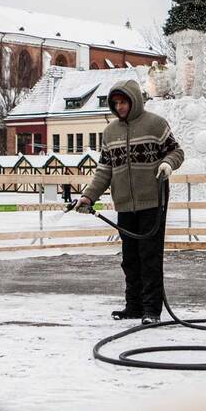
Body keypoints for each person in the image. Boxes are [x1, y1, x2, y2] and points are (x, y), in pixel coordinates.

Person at [76, 79, 185, 325]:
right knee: (130, 258)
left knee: (149, 257)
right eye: (115, 103)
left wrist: (167, 164)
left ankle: (151, 310)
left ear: (134, 100)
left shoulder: (156, 124)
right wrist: (88, 196)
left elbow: (177, 152)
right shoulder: (110, 132)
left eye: (123, 102)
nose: (120, 107)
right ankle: (133, 306)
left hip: (152, 203)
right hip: (124, 205)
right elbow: (104, 170)